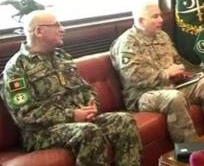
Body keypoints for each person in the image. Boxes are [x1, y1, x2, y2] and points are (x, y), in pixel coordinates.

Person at [0, 10, 142, 166]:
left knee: (124, 120)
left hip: (79, 121)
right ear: (39, 31)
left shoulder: (62, 57)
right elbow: (24, 115)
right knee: (88, 132)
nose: (62, 29)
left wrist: (91, 103)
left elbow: (83, 87)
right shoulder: (16, 68)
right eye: (56, 25)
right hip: (40, 133)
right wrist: (71, 116)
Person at [110, 4, 204, 142]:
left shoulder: (162, 36)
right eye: (155, 16)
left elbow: (176, 60)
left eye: (160, 15)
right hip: (142, 95)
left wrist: (180, 71)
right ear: (141, 21)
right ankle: (190, 152)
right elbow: (133, 76)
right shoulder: (127, 42)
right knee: (174, 98)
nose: (161, 19)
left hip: (172, 86)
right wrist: (166, 73)